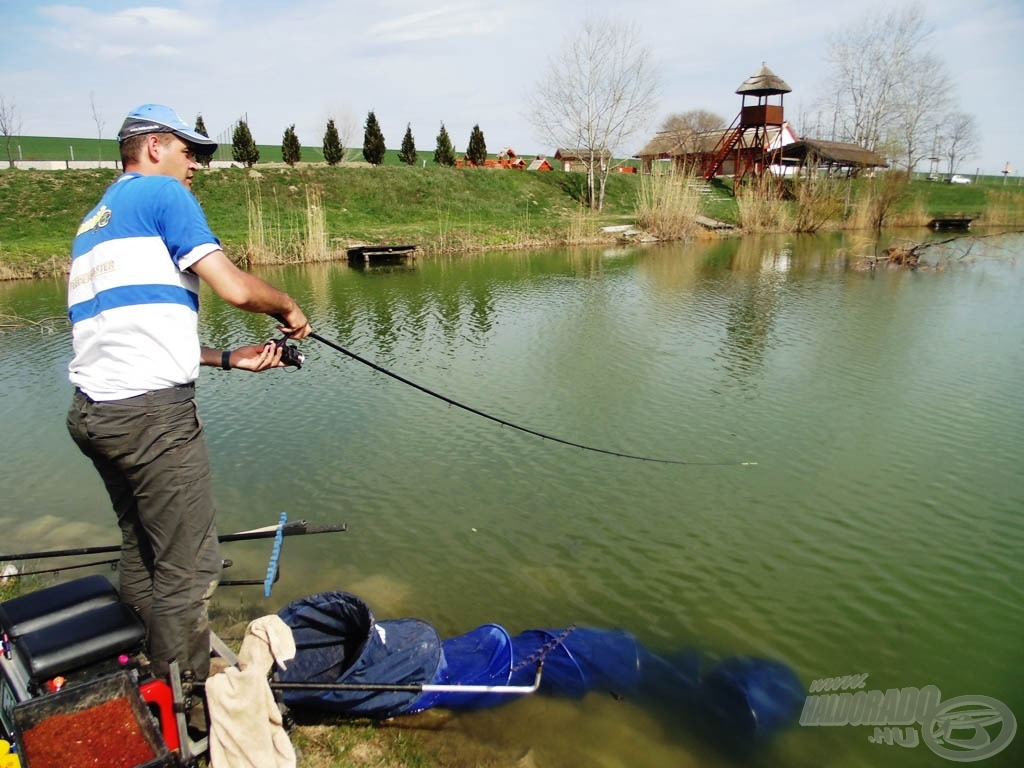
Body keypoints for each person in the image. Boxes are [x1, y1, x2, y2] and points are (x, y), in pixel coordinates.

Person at [65, 103, 311, 693]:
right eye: (188, 149)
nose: (196, 164)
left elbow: (121, 335)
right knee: (191, 566)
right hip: (152, 417)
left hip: (94, 414)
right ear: (153, 147)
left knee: (144, 551)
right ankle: (186, 703)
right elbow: (230, 286)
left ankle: (143, 670)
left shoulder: (94, 220)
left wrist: (225, 358)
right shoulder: (163, 196)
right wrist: (287, 306)